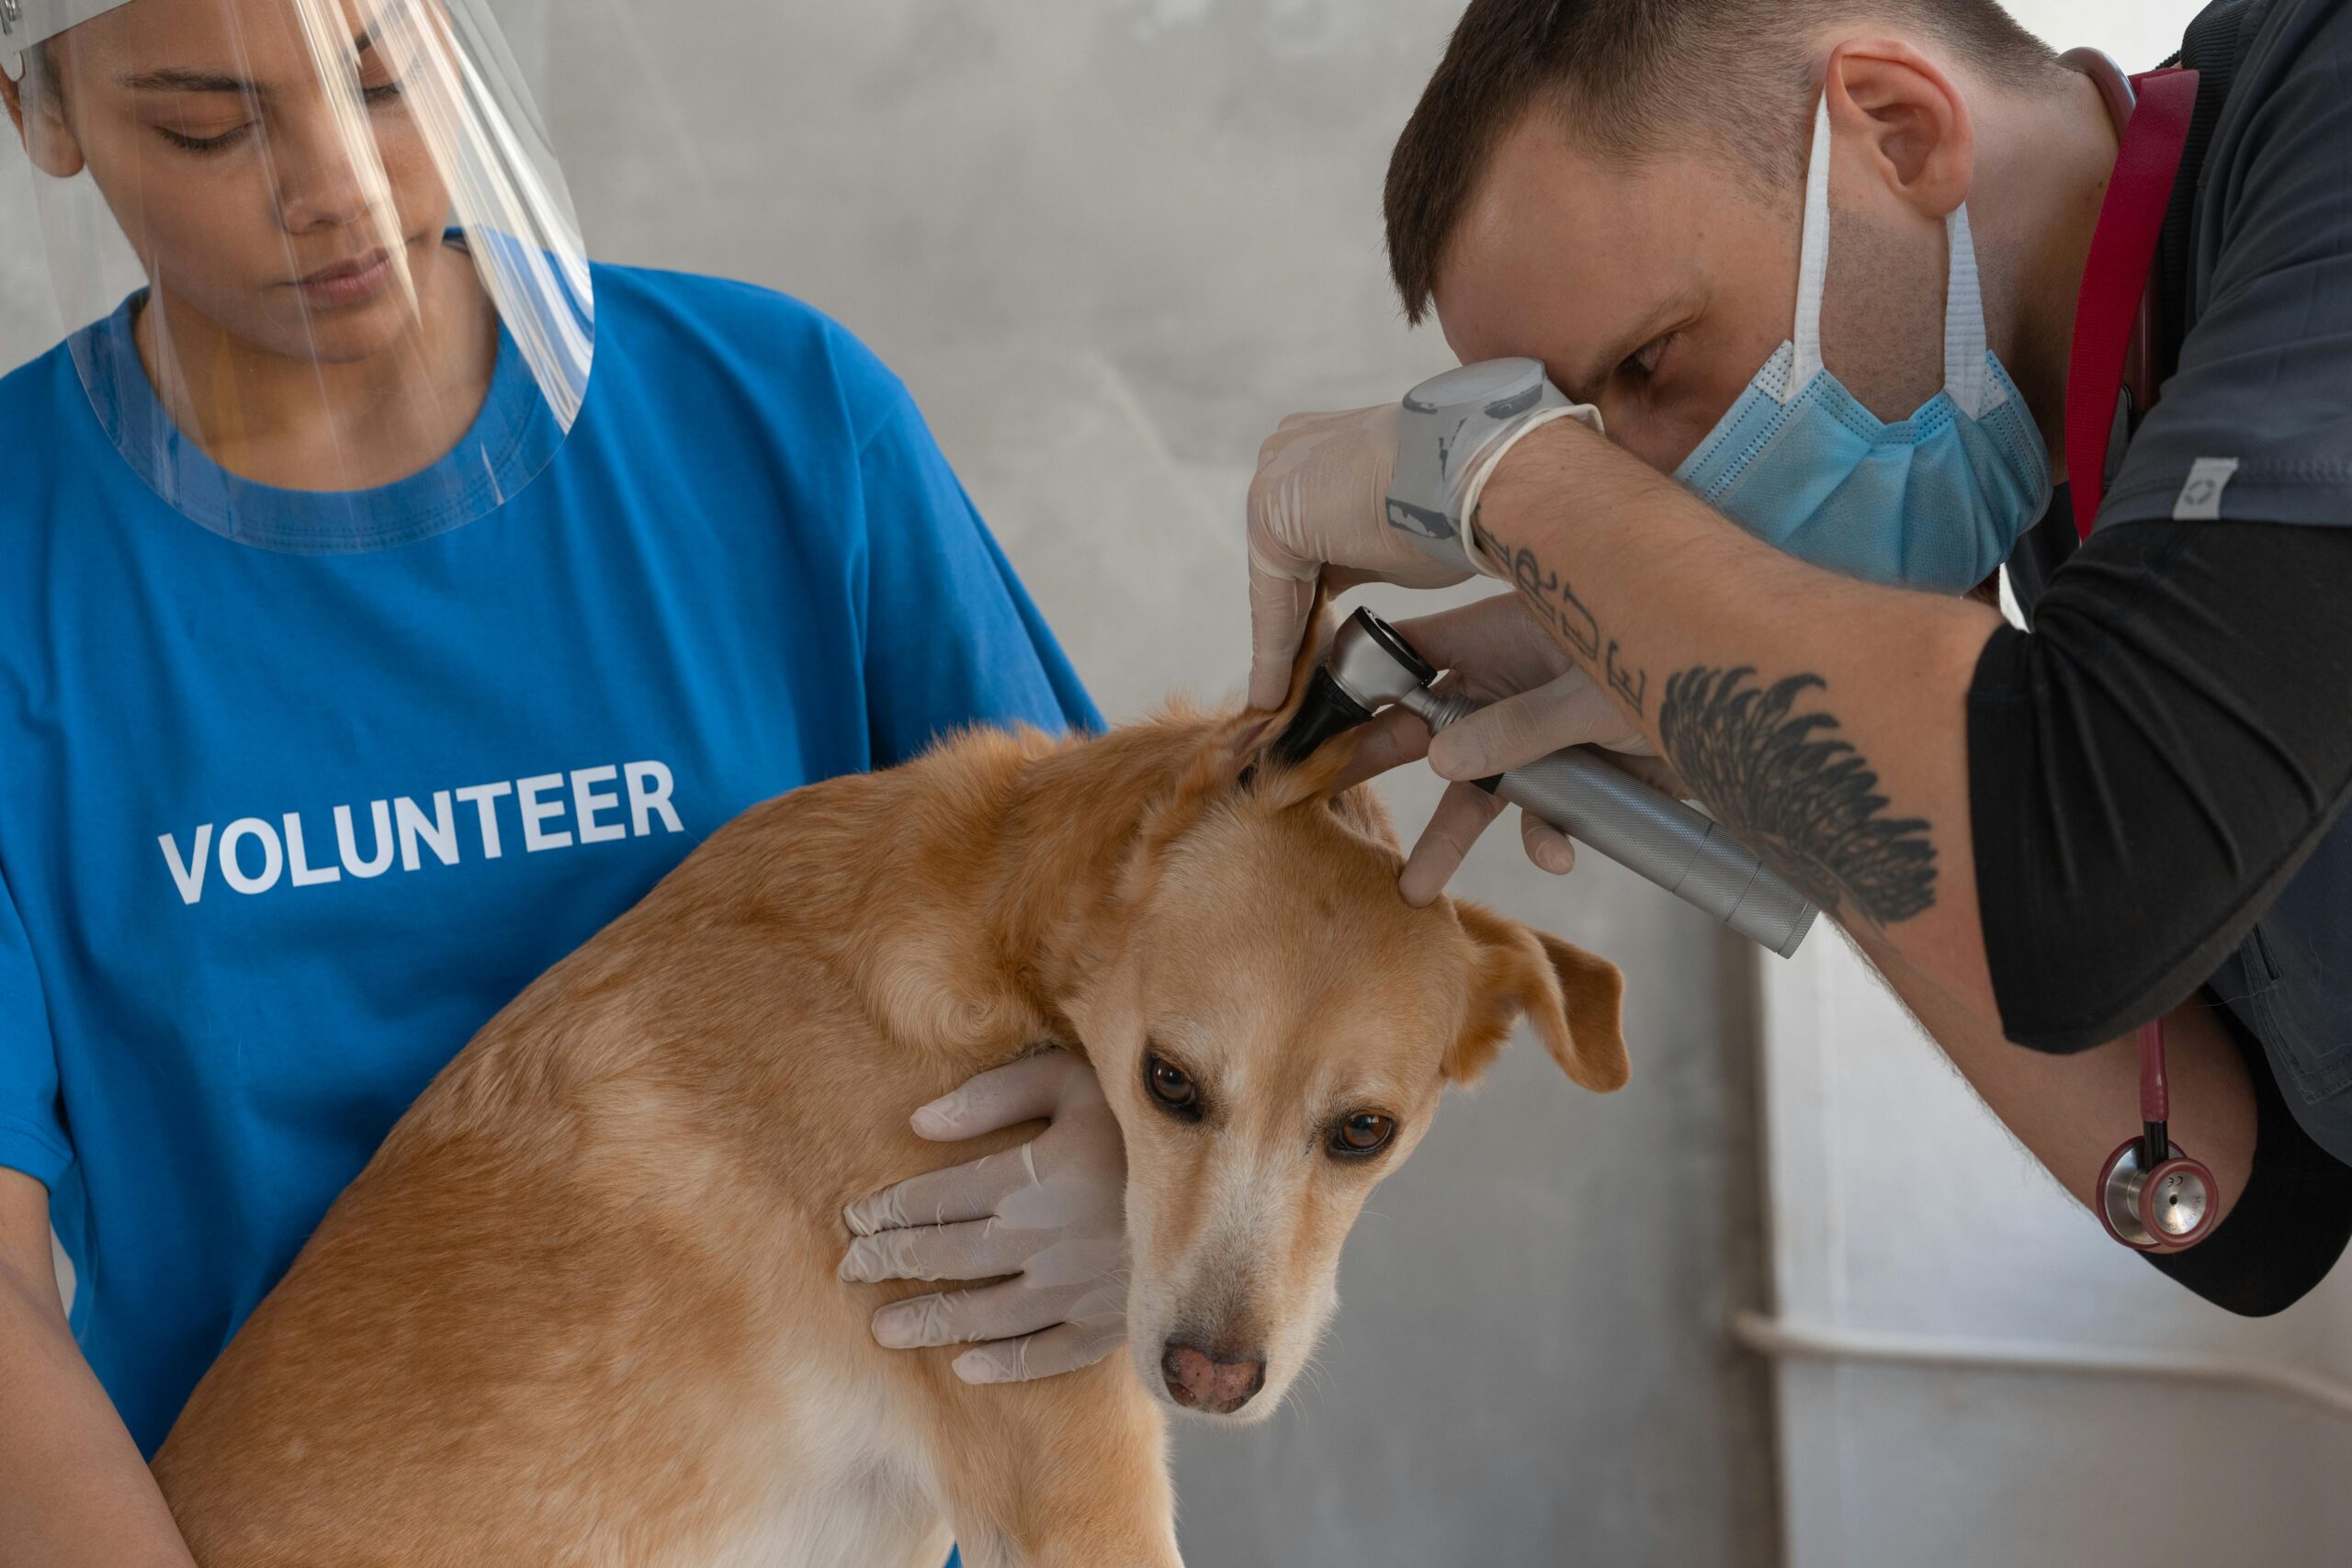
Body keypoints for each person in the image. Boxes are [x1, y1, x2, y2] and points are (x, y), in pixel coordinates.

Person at [847, 0, 2352, 1396]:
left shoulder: (2325, 124)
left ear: (1897, 130)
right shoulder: (2082, 482)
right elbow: (2234, 1200)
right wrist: (1753, 751)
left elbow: (2082, 876)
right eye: (1590, 422)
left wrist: (1500, 477)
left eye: (1649, 365)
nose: (1650, 482)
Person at [0, 1, 1099, 1561]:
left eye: (382, 76)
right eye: (210, 126)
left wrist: (1135, 1167)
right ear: (40, 114)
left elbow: (1128, 935)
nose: (341, 183)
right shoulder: (17, 567)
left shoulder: (783, 424)